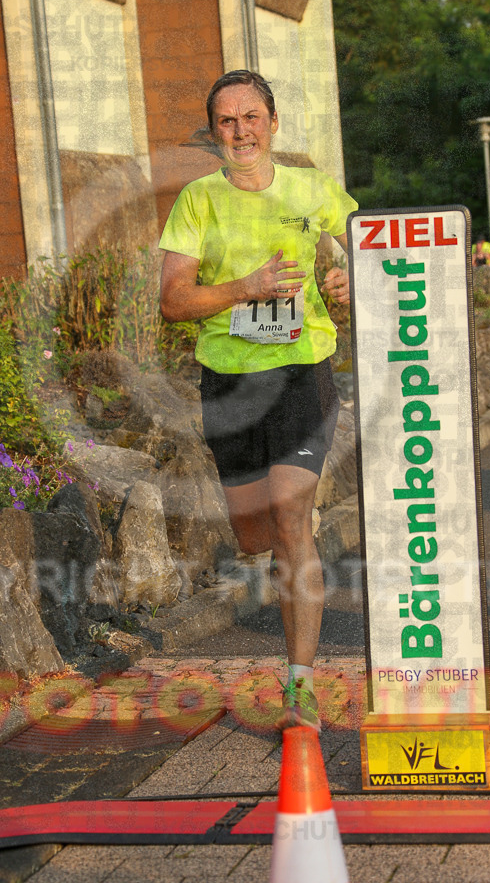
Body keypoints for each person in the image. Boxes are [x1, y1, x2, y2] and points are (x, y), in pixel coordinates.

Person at [159, 70, 357, 731]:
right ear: (214, 131)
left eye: (251, 117)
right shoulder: (197, 201)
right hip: (230, 381)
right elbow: (173, 301)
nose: (241, 131)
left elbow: (372, 249)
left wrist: (347, 276)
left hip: (302, 368)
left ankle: (301, 686)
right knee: (256, 535)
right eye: (227, 120)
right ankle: (283, 562)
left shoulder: (311, 189)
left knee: (293, 515)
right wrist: (246, 287)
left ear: (272, 122)